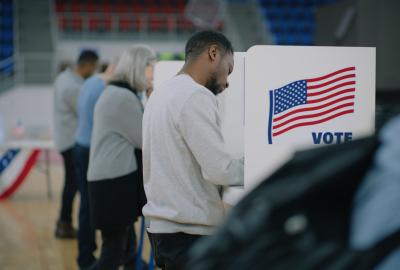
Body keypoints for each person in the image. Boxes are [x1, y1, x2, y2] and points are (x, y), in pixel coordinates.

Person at [142, 30, 244, 270]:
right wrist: (257, 165)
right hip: (188, 233)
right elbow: (220, 170)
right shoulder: (195, 95)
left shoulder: (161, 94)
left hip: (164, 228)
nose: (227, 82)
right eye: (228, 69)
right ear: (213, 53)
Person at [87, 45, 156, 270]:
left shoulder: (116, 92)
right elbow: (144, 139)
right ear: (138, 66)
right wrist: (153, 100)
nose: (153, 72)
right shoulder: (122, 97)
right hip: (113, 182)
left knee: (123, 247)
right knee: (113, 251)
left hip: (110, 180)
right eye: (150, 66)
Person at [73, 61, 117, 270]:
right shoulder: (105, 88)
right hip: (92, 150)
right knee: (94, 207)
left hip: (80, 146)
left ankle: (85, 255)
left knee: (86, 205)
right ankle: (89, 258)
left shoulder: (90, 81)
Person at [53, 50, 99, 239]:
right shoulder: (71, 87)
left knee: (71, 184)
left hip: (67, 139)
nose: (94, 71)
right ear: (87, 65)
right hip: (72, 141)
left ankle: (64, 222)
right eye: (94, 68)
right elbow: (85, 110)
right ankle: (66, 223)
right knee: (75, 186)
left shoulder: (64, 78)